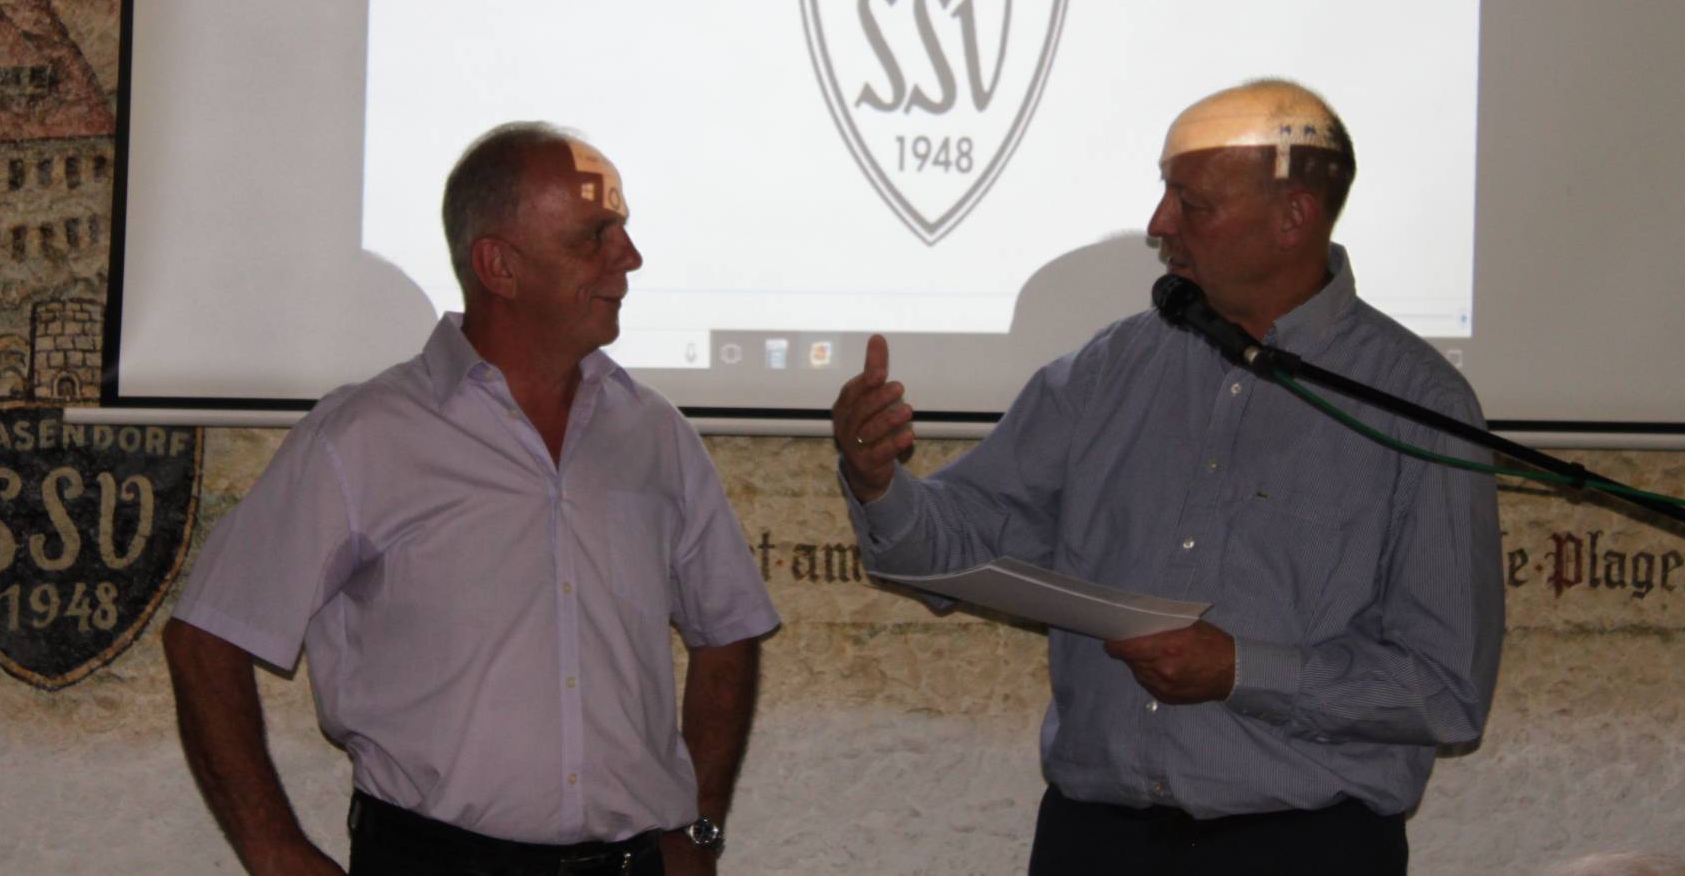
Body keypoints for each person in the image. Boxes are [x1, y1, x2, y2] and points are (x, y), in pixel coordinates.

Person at [832, 79, 1504, 875]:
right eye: (1164, 193)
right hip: (1095, 839)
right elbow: (966, 539)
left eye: (1193, 203)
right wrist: (878, 482)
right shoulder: (1107, 370)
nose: (1159, 224)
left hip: (1304, 846)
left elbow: (1445, 690)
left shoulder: (1418, 404)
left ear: (1293, 218)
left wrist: (1243, 671)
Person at [165, 123, 779, 876]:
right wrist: (274, 849)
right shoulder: (364, 436)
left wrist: (700, 830)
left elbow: (728, 627)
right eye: (595, 236)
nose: (629, 256)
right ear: (500, 266)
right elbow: (205, 637)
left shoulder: (655, 434)